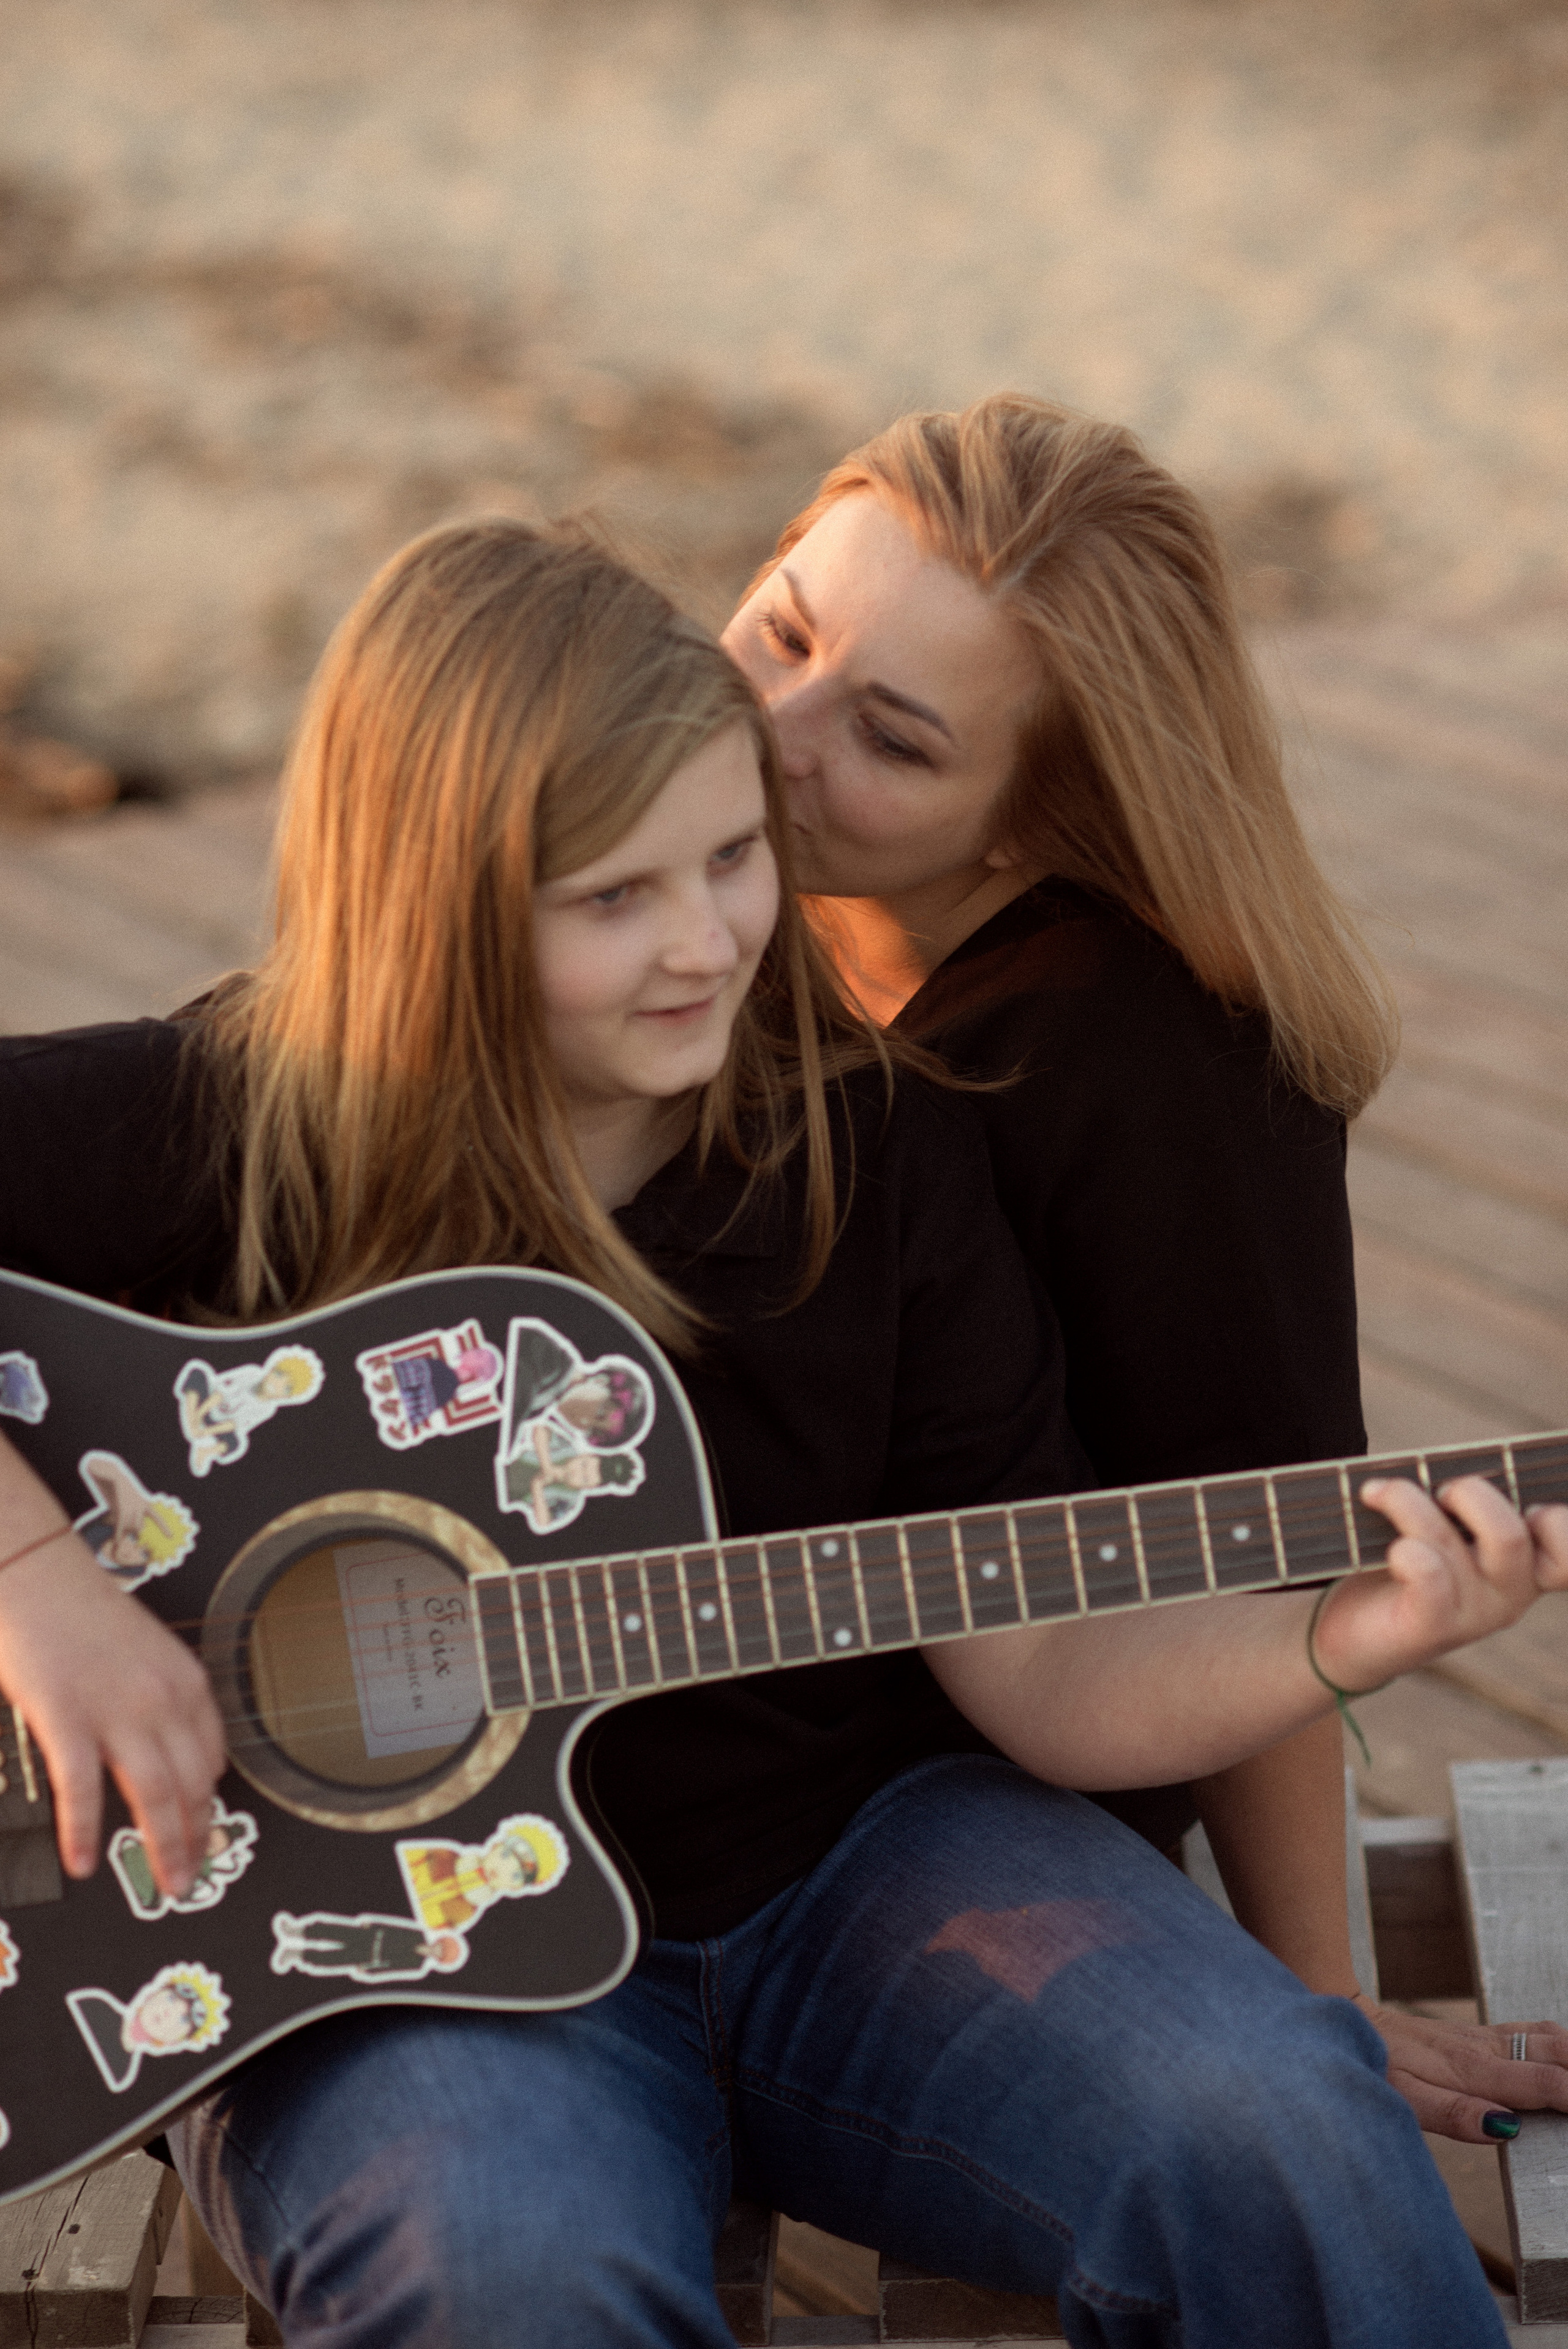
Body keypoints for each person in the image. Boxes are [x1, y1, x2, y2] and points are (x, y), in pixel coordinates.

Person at [0, 518, 1562, 2349]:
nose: (706, 941)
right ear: (433, 904)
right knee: (512, 2275)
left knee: (1278, 2121)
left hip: (868, 1866)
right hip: (389, 1957)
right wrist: (46, 1589)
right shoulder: (251, 1119)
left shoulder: (864, 1149)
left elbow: (1045, 1654)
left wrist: (1339, 1631)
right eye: (615, 897)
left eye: (735, 856)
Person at [721, 389, 1568, 2147]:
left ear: (1036, 818)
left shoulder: (1142, 1063)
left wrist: (1310, 1994)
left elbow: (1270, 1522)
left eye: (889, 734)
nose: (772, 727)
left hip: (973, 1798)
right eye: (784, 624)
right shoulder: (727, 909)